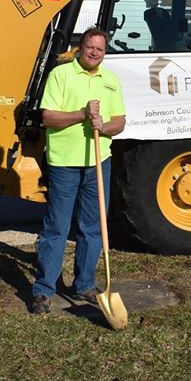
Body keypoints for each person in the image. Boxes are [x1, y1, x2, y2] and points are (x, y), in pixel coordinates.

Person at [30, 27, 126, 314]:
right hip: (64, 163)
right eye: (90, 47)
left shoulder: (111, 80)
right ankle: (43, 290)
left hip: (98, 161)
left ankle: (84, 284)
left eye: (100, 48)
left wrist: (103, 126)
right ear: (80, 48)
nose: (95, 52)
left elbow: (119, 122)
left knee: (93, 227)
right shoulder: (61, 75)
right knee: (57, 227)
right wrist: (81, 114)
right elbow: (48, 118)